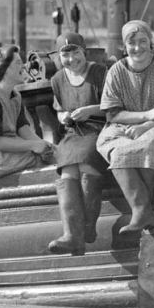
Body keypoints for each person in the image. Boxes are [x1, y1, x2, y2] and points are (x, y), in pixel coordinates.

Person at [96, 20, 154, 233]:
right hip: (124, 124)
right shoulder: (116, 72)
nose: (138, 47)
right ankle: (143, 211)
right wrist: (145, 115)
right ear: (124, 46)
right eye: (132, 43)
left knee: (149, 146)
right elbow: (112, 113)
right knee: (117, 150)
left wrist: (146, 126)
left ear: (150, 42)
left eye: (143, 41)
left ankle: (146, 213)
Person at [48, 31, 108, 256]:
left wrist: (90, 110)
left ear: (84, 52)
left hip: (99, 128)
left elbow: (114, 106)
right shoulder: (57, 80)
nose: (71, 59)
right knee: (67, 171)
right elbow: (58, 109)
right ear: (59, 57)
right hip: (73, 132)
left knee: (85, 162)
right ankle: (72, 235)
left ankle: (87, 227)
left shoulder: (100, 73)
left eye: (75, 53)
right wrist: (63, 116)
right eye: (65, 55)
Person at [0, 45, 55, 180]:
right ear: (5, 69)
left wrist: (47, 146)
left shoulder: (14, 95)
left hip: (7, 149)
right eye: (18, 63)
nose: (24, 66)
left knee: (51, 154)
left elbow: (24, 130)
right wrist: (33, 146)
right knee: (39, 158)